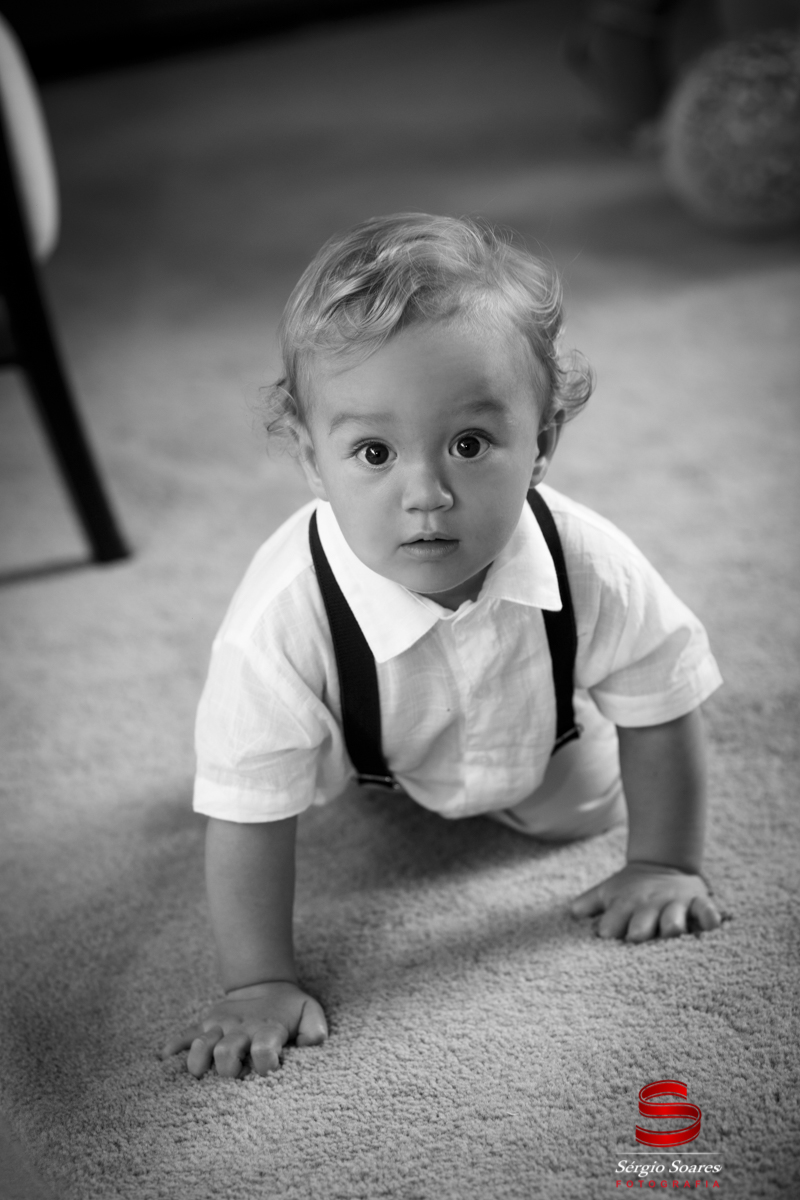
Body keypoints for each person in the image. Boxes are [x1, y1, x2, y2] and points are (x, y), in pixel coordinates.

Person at [162, 213, 723, 1080]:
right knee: (277, 779)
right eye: (374, 452)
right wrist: (258, 981)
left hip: (536, 736)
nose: (425, 493)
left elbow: (663, 697)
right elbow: (245, 807)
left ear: (541, 445)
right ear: (312, 461)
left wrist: (663, 862)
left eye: (468, 444)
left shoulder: (588, 560)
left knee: (586, 810)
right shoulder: (281, 619)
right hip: (369, 749)